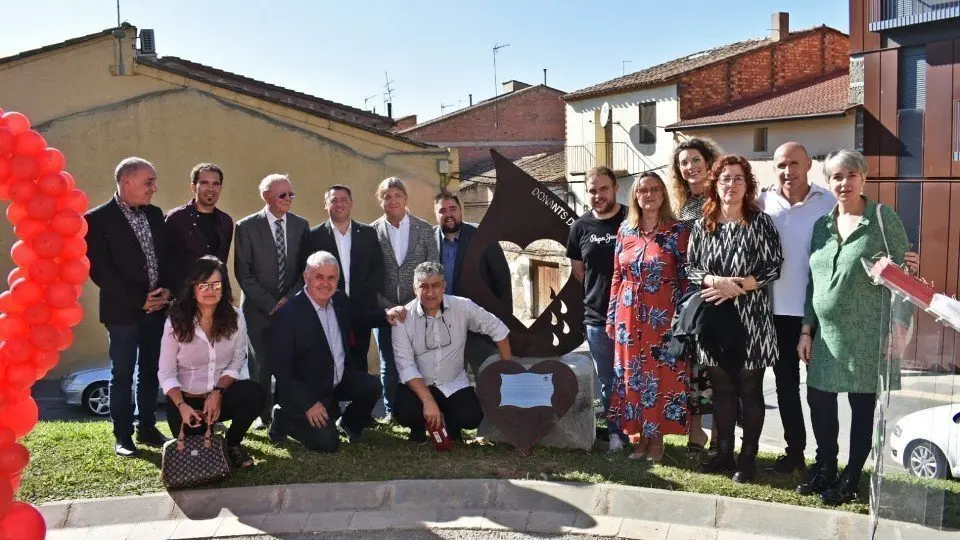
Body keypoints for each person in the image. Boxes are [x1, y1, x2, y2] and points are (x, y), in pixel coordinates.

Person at [796, 149, 911, 505]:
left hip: (868, 331)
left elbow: (904, 276)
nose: (843, 183)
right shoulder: (822, 225)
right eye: (836, 177)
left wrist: (901, 327)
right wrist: (805, 330)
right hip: (826, 337)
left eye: (850, 175)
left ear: (863, 178)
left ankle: (851, 477)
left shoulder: (880, 217)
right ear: (828, 182)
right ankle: (827, 466)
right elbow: (814, 283)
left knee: (862, 408)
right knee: (819, 400)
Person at [687, 155, 783, 483]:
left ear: (748, 185)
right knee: (722, 389)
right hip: (714, 318)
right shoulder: (703, 223)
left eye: (738, 179)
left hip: (751, 320)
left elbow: (773, 267)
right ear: (715, 184)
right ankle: (724, 454)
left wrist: (737, 287)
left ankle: (748, 458)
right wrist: (717, 283)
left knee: (750, 389)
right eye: (725, 178)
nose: (731, 185)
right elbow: (691, 268)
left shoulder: (760, 221)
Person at [268, 251, 406, 452]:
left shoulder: (339, 300)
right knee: (328, 443)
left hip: (337, 376)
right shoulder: (288, 314)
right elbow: (282, 369)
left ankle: (349, 423)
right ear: (306, 277)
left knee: (371, 387)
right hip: (307, 389)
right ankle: (283, 417)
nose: (325, 283)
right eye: (319, 277)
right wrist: (308, 404)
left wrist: (385, 316)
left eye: (331, 277)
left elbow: (359, 318)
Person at [86, 157, 174, 457]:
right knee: (122, 373)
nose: (154, 188)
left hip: (157, 310)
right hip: (122, 312)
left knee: (151, 371)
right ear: (127, 181)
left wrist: (167, 292)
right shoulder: (97, 219)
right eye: (149, 181)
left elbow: (164, 258)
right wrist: (139, 299)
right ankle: (123, 436)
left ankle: (147, 428)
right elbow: (100, 271)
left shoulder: (155, 214)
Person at [758, 142, 837, 474]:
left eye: (793, 164)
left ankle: (826, 458)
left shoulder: (829, 202)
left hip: (817, 313)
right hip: (774, 313)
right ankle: (794, 452)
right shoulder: (761, 202)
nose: (787, 171)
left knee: (821, 391)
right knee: (786, 386)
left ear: (809, 165)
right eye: (780, 165)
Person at [606, 172, 694, 461]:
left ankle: (656, 441)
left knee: (660, 377)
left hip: (664, 315)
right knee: (633, 378)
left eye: (655, 189)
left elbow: (686, 278)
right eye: (643, 190)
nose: (649, 194)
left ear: (663, 194)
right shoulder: (625, 231)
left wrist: (684, 320)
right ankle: (640, 438)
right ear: (635, 196)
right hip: (628, 316)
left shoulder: (678, 230)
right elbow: (617, 275)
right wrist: (611, 317)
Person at [158, 256, 265, 469]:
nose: (210, 290)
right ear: (193, 288)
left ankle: (232, 445)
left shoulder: (235, 318)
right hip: (187, 403)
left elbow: (236, 361)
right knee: (198, 462)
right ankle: (208, 440)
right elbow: (166, 373)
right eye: (203, 285)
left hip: (219, 397)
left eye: (216, 284)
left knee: (255, 393)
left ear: (224, 288)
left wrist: (218, 392)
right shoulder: (176, 322)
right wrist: (182, 406)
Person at [392, 261, 512, 443]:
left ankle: (452, 425)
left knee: (471, 416)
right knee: (404, 412)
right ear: (415, 288)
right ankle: (418, 427)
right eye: (423, 286)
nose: (430, 293)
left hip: (452, 381)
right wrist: (428, 401)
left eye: (436, 286)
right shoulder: (403, 319)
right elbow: (406, 366)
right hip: (418, 385)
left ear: (444, 286)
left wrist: (506, 367)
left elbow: (497, 328)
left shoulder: (462, 306)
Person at [234, 173, 310, 429]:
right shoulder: (245, 226)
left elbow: (305, 270)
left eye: (291, 194)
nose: (288, 199)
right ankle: (262, 415)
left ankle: (285, 411)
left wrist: (288, 299)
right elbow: (243, 273)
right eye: (282, 195)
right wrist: (269, 303)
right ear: (266, 196)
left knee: (290, 360)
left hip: (291, 307)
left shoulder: (301, 225)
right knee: (261, 363)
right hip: (258, 309)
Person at [566, 166, 627, 450]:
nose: (598, 195)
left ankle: (643, 432)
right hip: (597, 317)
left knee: (636, 375)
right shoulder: (579, 227)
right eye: (592, 190)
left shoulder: (632, 218)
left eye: (604, 189)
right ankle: (616, 434)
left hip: (633, 315)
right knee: (608, 380)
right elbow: (580, 271)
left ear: (615, 188)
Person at [371, 177, 439, 422]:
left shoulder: (423, 229)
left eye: (397, 195)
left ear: (405, 198)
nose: (393, 200)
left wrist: (418, 304)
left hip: (418, 310)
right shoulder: (372, 231)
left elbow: (434, 267)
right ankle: (391, 411)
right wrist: (387, 306)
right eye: (387, 196)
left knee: (420, 360)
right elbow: (368, 276)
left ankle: (426, 406)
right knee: (389, 363)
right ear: (381, 201)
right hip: (385, 310)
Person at [669, 137, 721, 452]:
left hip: (718, 289)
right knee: (692, 364)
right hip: (687, 291)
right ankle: (695, 432)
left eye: (695, 160)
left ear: (709, 162)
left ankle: (718, 435)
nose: (690, 167)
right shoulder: (682, 205)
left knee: (717, 365)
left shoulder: (723, 198)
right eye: (684, 163)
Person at [305, 184, 384, 370]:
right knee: (327, 362)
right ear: (326, 204)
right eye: (334, 200)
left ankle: (358, 400)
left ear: (351, 204)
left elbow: (378, 269)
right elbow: (308, 273)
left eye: (344, 200)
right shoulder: (314, 236)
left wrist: (366, 296)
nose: (339, 204)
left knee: (359, 361)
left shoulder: (367, 233)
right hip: (328, 308)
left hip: (361, 309)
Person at [433, 191, 512, 375]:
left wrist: (503, 324)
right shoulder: (428, 240)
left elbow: (502, 281)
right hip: (441, 326)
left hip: (477, 328)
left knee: (486, 379)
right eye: (442, 210)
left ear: (461, 211)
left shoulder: (482, 237)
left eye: (453, 209)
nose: (449, 214)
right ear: (436, 214)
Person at [164, 163, 234, 292]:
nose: (210, 189)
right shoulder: (176, 218)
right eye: (204, 183)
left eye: (216, 184)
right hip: (181, 297)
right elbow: (163, 260)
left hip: (213, 297)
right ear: (193, 187)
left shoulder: (226, 221)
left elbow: (221, 264)